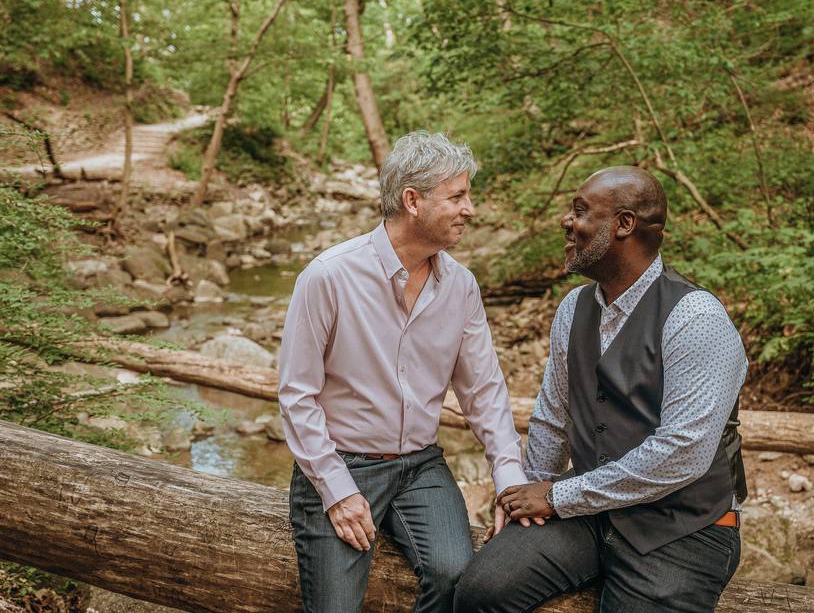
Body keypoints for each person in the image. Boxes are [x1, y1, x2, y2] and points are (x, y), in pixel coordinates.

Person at [454, 166, 749, 613]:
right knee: (480, 592)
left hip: (683, 526)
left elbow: (682, 452)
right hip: (590, 512)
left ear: (624, 225)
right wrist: (527, 501)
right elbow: (554, 419)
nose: (566, 222)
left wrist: (557, 496)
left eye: (580, 211)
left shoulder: (696, 318)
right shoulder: (573, 308)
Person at [278, 131, 529, 613]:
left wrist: (509, 477)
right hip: (341, 460)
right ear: (412, 201)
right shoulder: (329, 276)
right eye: (457, 196)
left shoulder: (461, 285)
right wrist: (335, 491)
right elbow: (296, 396)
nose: (470, 209)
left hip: (420, 466)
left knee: (456, 575)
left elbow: (484, 391)